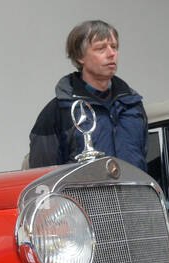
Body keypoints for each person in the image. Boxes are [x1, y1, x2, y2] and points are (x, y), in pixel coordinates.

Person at [28, 19, 147, 170]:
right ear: (80, 56)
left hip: (133, 193)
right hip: (83, 194)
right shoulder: (58, 111)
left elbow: (141, 160)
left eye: (114, 47)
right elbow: (42, 176)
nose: (111, 54)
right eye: (101, 49)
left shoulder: (133, 105)